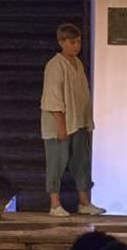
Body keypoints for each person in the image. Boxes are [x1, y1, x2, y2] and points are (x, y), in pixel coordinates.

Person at [40, 23, 105, 217]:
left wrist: (87, 122)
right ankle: (55, 204)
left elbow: (83, 96)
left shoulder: (77, 64)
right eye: (72, 42)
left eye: (78, 42)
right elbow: (53, 97)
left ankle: (84, 202)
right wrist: (61, 123)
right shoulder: (55, 65)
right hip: (60, 124)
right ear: (62, 42)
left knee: (81, 162)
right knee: (57, 162)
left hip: (78, 122)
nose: (76, 46)